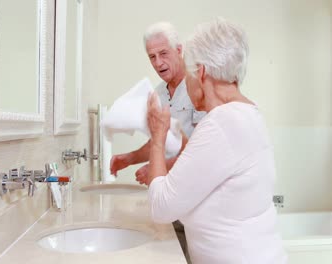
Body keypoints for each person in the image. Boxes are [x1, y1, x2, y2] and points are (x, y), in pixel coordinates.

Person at [146, 18, 287, 264]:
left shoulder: (222, 123)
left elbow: (161, 207)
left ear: (200, 72)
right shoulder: (249, 114)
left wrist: (158, 137)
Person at [109, 22, 205, 263]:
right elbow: (158, 142)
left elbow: (199, 150)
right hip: (171, 197)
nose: (158, 62)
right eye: (152, 56)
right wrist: (129, 159)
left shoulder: (197, 88)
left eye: (163, 53)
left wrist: (156, 166)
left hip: (197, 200)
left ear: (179, 50)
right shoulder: (158, 94)